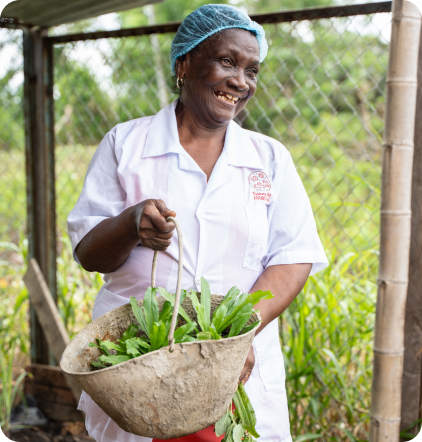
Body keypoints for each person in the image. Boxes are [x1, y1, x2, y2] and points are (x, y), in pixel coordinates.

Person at [67, 4, 328, 442]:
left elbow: (293, 257)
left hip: (240, 371)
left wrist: (234, 338)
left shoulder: (269, 159)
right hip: (136, 372)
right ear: (184, 64)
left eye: (251, 70)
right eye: (227, 61)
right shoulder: (126, 144)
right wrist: (131, 224)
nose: (240, 81)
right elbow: (88, 253)